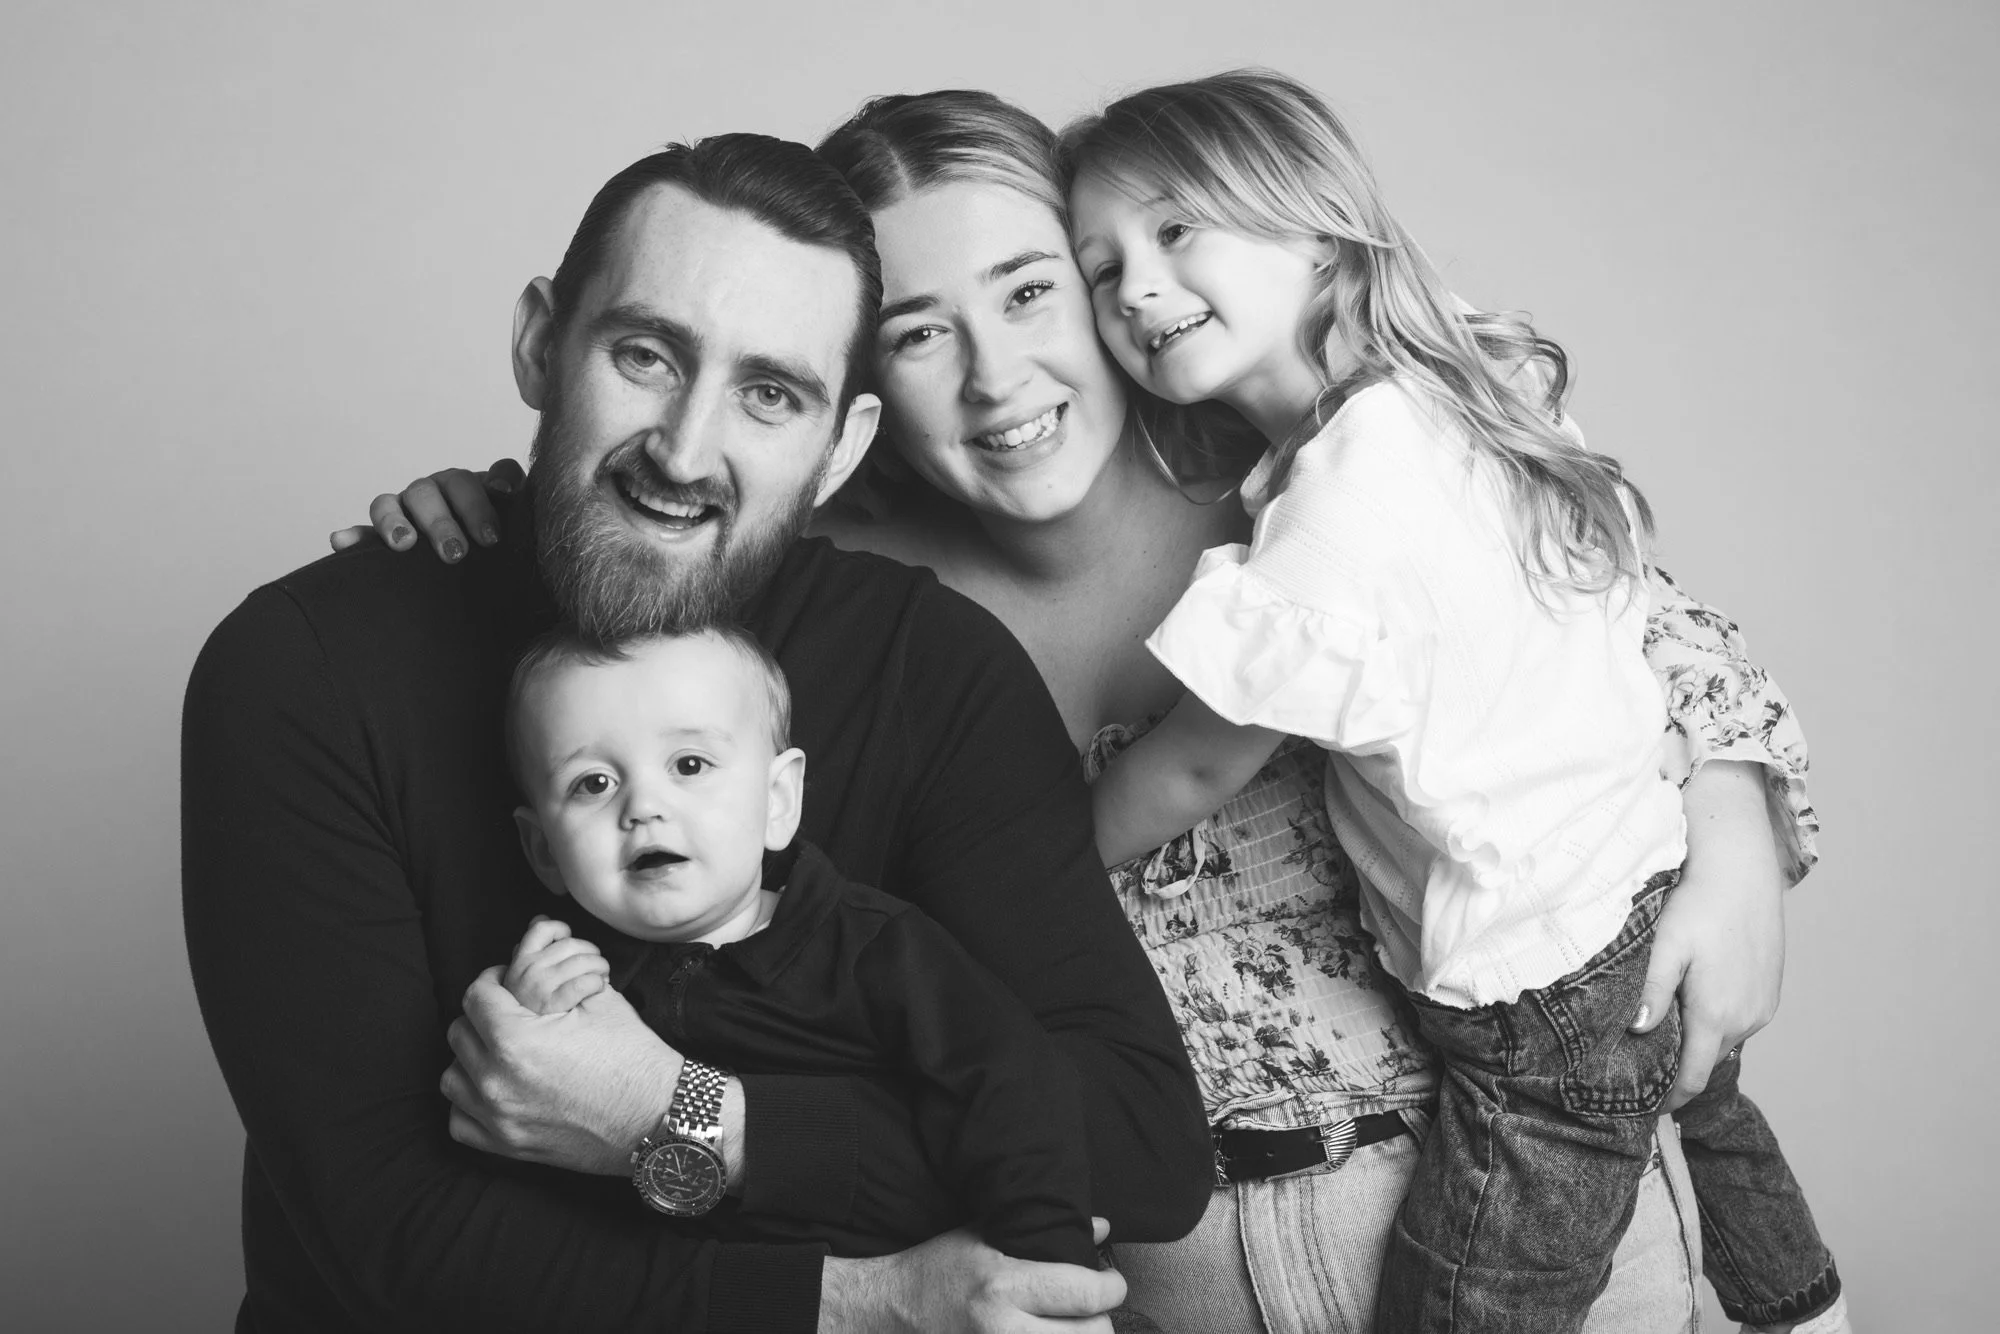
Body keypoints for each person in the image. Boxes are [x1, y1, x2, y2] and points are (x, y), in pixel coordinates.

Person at [350, 86, 1820, 1334]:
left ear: (1113, 290)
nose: (998, 377)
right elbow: (640, 573)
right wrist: (485, 526)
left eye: (1033, 291)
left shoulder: (1294, 476)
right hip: (1161, 1272)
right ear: (861, 399)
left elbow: (1622, 618)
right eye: (919, 333)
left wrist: (1734, 822)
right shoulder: (837, 618)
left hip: (1528, 1187)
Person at [184, 130, 1210, 1334]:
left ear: (842, 446)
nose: (681, 450)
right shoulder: (309, 667)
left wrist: (679, 1117)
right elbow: (386, 1231)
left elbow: (1136, 1148)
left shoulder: (927, 668)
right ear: (539, 345)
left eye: (769, 394)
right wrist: (873, 1299)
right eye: (644, 354)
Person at [1067, 71, 1844, 1334]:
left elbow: (1196, 767)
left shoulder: (1336, 508)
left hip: (1536, 996)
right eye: (1101, 269)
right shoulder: (1458, 380)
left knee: (1472, 1300)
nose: (1136, 288)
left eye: (1173, 230)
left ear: (1312, 225)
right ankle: (1805, 1306)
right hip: (1620, 897)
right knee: (1705, 1107)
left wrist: (1043, 845)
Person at [499, 622, 1097, 1267]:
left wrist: (1046, 1263)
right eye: (593, 783)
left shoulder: (872, 946)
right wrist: (536, 1023)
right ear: (543, 851)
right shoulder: (586, 987)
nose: (643, 805)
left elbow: (1013, 1085)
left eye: (689, 765)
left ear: (778, 799)